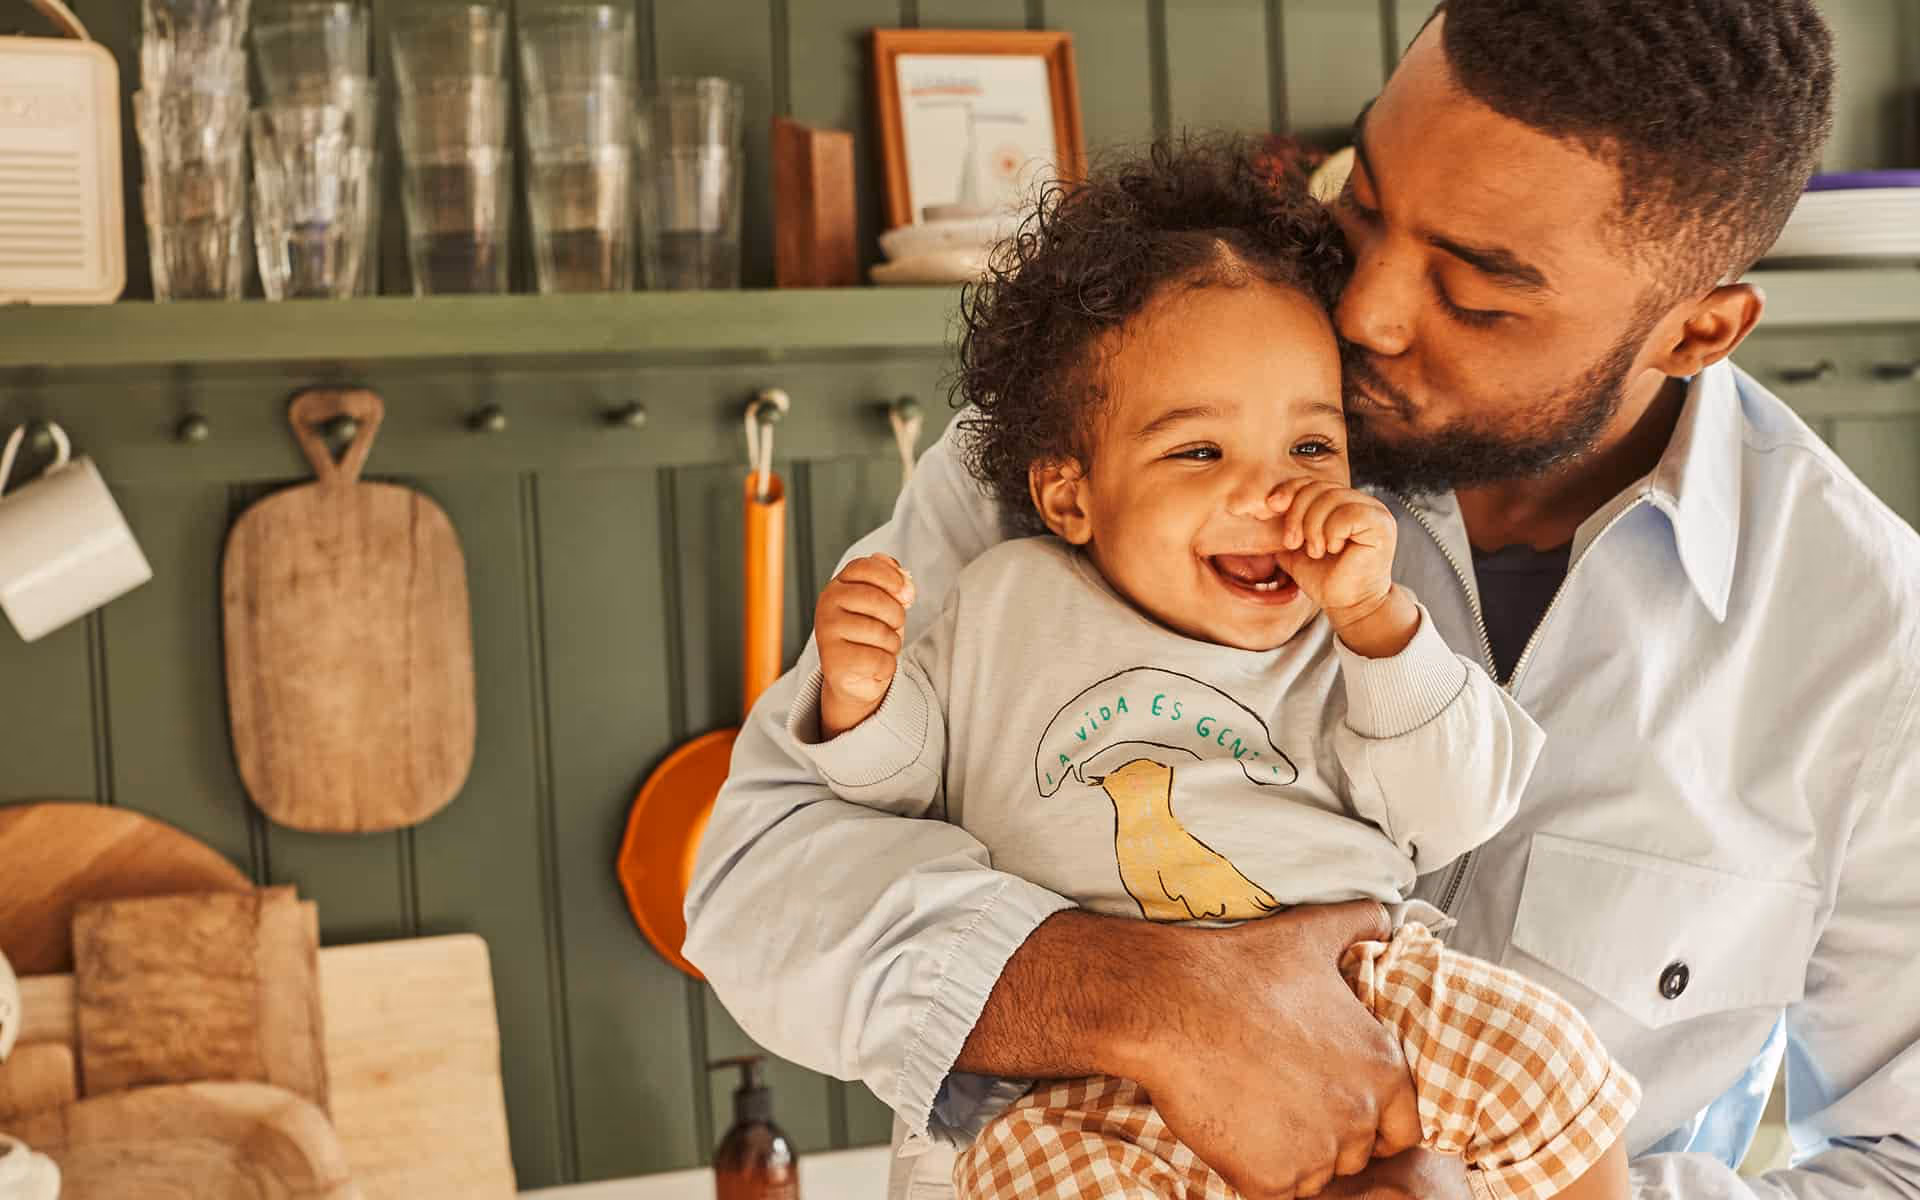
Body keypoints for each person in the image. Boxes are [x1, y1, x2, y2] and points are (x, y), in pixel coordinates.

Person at [686, 3, 1920, 1199]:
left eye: (1478, 291)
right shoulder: (1098, 446)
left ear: (1699, 331)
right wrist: (1157, 1002)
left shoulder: (1866, 635)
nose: (1367, 310)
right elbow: (759, 888)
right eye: (1363, 203)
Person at [788, 138, 1639, 1200]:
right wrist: (861, 701)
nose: (1269, 494)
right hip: (1082, 1073)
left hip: (1363, 997)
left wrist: (1381, 630)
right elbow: (899, 789)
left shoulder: (1348, 631)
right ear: (1069, 496)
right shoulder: (1003, 599)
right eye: (1200, 453)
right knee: (1013, 1171)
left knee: (1548, 1055)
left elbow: (1454, 810)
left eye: (1312, 450)